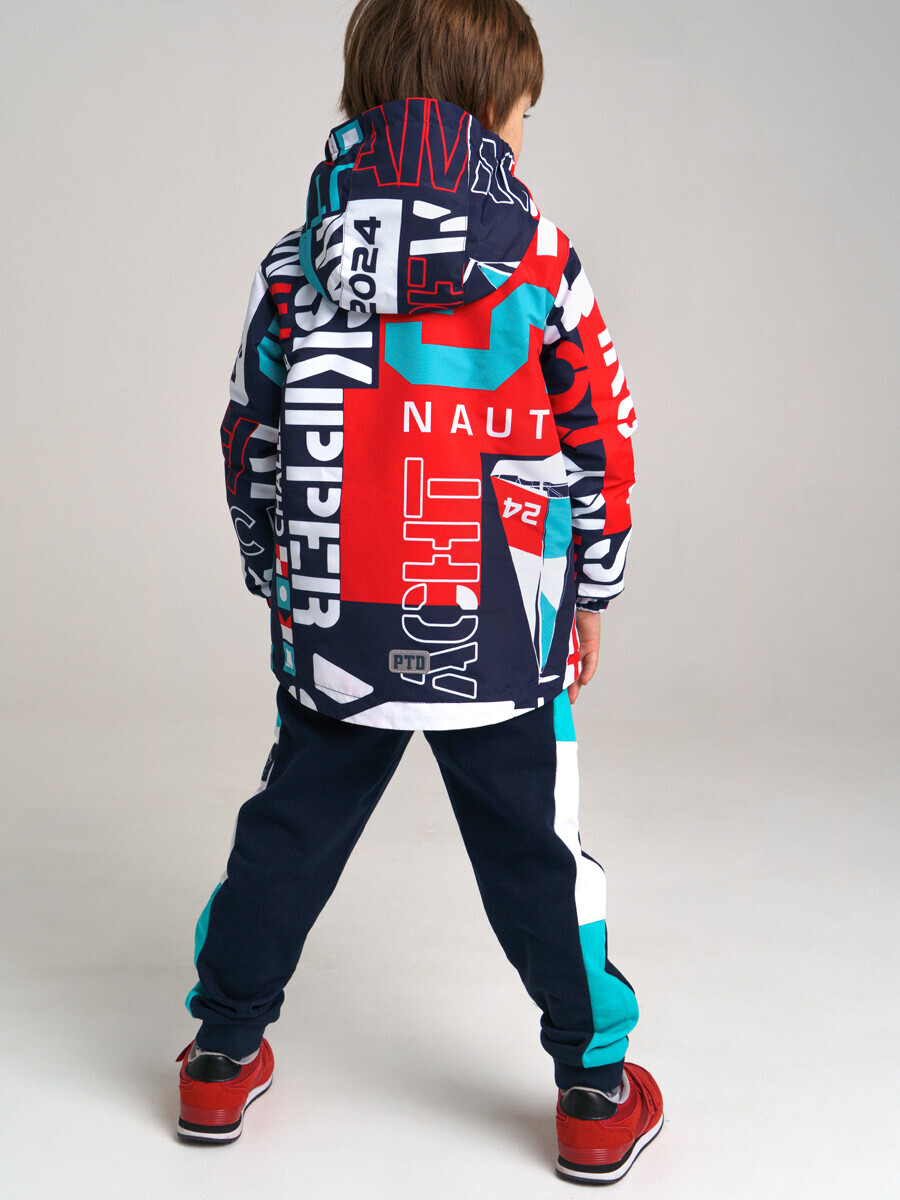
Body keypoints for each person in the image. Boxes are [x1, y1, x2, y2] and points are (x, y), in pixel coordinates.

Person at [175, 0, 663, 1183]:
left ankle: (220, 1054)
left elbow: (249, 436)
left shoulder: (295, 263)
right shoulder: (541, 257)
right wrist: (592, 587)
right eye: (524, 115)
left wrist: (279, 578)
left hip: (338, 623)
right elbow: (600, 432)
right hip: (500, 624)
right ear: (490, 111)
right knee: (538, 857)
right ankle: (595, 1090)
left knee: (289, 833)